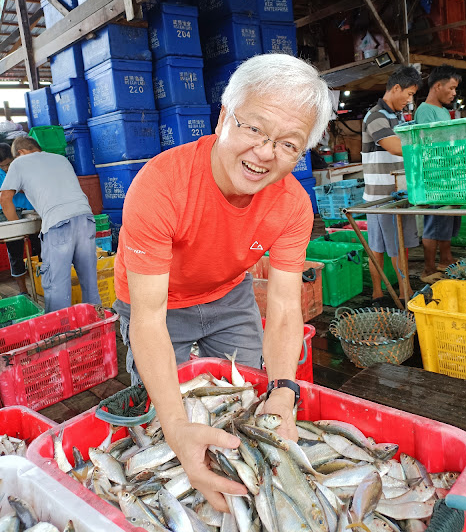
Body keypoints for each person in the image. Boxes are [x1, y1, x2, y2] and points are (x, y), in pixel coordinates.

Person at [113, 53, 332, 511]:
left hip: (229, 293)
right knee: (162, 411)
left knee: (245, 392)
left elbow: (287, 308)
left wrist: (285, 389)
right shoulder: (161, 186)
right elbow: (148, 320)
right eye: (253, 128)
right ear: (222, 117)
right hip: (158, 304)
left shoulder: (292, 205)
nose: (266, 153)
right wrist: (175, 425)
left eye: (289, 144)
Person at [0, 136, 100, 312]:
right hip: (86, 219)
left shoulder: (19, 163)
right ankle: (96, 326)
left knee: (57, 288)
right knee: (90, 282)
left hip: (59, 225)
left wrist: (16, 226)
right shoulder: (60, 159)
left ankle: (58, 334)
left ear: (21, 153)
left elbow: (5, 198)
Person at [362, 66, 422, 305]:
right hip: (380, 196)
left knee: (400, 246)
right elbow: (395, 147)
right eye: (408, 94)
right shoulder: (375, 115)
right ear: (396, 88)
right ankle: (381, 293)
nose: (409, 100)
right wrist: (425, 147)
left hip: (398, 193)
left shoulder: (396, 116)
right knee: (379, 247)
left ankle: (402, 291)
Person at [414, 65, 462, 281]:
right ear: (437, 85)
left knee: (448, 219)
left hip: (449, 175)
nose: (454, 93)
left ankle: (446, 259)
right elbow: (428, 145)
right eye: (451, 88)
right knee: (434, 222)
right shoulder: (425, 110)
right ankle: (429, 268)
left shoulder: (443, 111)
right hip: (435, 176)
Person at [0, 143, 41, 295]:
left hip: (31, 210)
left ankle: (44, 285)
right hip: (9, 214)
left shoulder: (23, 165)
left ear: (15, 157)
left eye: (9, 163)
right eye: (2, 166)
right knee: (15, 252)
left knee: (40, 248)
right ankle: (23, 291)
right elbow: (4, 198)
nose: (6, 168)